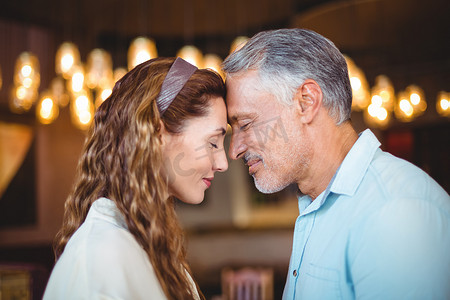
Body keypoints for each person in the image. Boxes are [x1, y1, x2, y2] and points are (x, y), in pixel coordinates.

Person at [222, 28, 450, 299]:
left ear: (306, 102)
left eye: (246, 124)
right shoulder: (317, 204)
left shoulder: (394, 210)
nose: (234, 150)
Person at [43, 57, 228, 300]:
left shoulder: (147, 241)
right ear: (156, 132)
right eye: (213, 142)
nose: (223, 163)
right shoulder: (100, 260)